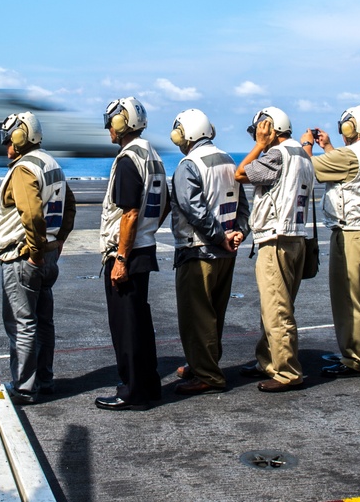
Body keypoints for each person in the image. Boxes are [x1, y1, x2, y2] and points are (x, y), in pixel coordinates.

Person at [299, 105, 360, 378]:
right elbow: (350, 172)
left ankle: (355, 358)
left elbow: (308, 169)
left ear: (352, 127)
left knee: (348, 300)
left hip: (352, 235)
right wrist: (329, 147)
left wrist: (308, 144)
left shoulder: (349, 156)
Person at [0, 112, 76, 405]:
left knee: (21, 323)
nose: (7, 148)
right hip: (47, 255)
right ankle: (45, 379)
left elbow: (32, 214)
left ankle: (24, 386)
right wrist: (59, 240)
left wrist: (36, 254)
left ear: (20, 137)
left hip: (24, 257)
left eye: (9, 141)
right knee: (43, 322)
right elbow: (70, 206)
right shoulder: (52, 165)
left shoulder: (23, 170)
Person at [167, 109, 248, 395]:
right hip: (227, 252)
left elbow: (194, 209)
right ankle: (202, 362)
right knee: (215, 312)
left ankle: (208, 376)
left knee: (196, 316)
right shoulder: (228, 159)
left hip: (199, 250)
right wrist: (238, 233)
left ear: (186, 133)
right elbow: (243, 206)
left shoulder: (189, 165)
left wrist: (218, 236)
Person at [234, 107, 314, 393]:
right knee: (277, 305)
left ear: (272, 129)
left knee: (276, 309)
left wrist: (259, 145)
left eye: (261, 130)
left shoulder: (278, 154)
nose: (258, 135)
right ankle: (267, 360)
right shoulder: (303, 154)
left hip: (276, 239)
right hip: (295, 238)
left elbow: (241, 173)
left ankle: (287, 372)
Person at [95, 97, 167, 410]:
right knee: (139, 323)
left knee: (126, 328)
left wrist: (121, 259)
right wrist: (147, 233)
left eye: (112, 120)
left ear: (124, 122)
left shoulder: (127, 159)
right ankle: (148, 386)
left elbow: (129, 213)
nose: (108, 126)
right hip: (145, 248)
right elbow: (164, 203)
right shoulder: (152, 155)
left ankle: (131, 392)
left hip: (127, 253)